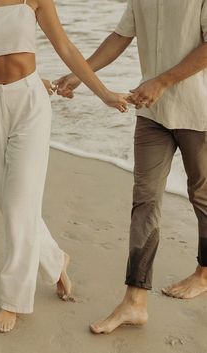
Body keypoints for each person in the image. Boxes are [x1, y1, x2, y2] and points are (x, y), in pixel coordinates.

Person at [0, 0, 130, 333]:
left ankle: (12, 301)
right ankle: (55, 259)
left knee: (18, 207)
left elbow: (67, 49)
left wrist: (102, 94)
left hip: (29, 104)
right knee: (7, 199)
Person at [55, 0, 207, 334]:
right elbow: (120, 36)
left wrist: (163, 81)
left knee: (202, 196)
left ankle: (204, 272)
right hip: (151, 113)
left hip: (199, 111)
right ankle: (135, 300)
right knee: (145, 201)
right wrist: (82, 74)